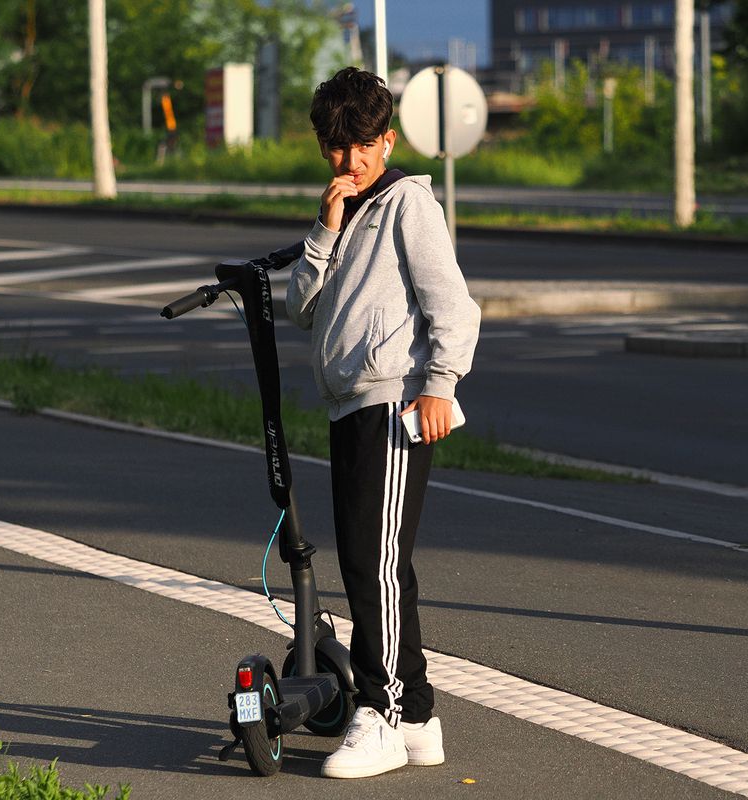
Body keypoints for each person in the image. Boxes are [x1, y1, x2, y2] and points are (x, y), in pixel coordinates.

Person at [286, 67, 481, 779]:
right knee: (373, 564)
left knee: (375, 567)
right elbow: (299, 308)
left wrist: (439, 385)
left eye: (362, 146)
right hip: (350, 403)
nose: (349, 161)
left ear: (386, 139)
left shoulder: (407, 204)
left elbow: (454, 308)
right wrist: (324, 228)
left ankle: (386, 713)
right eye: (336, 148)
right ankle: (419, 714)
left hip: (393, 402)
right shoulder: (344, 212)